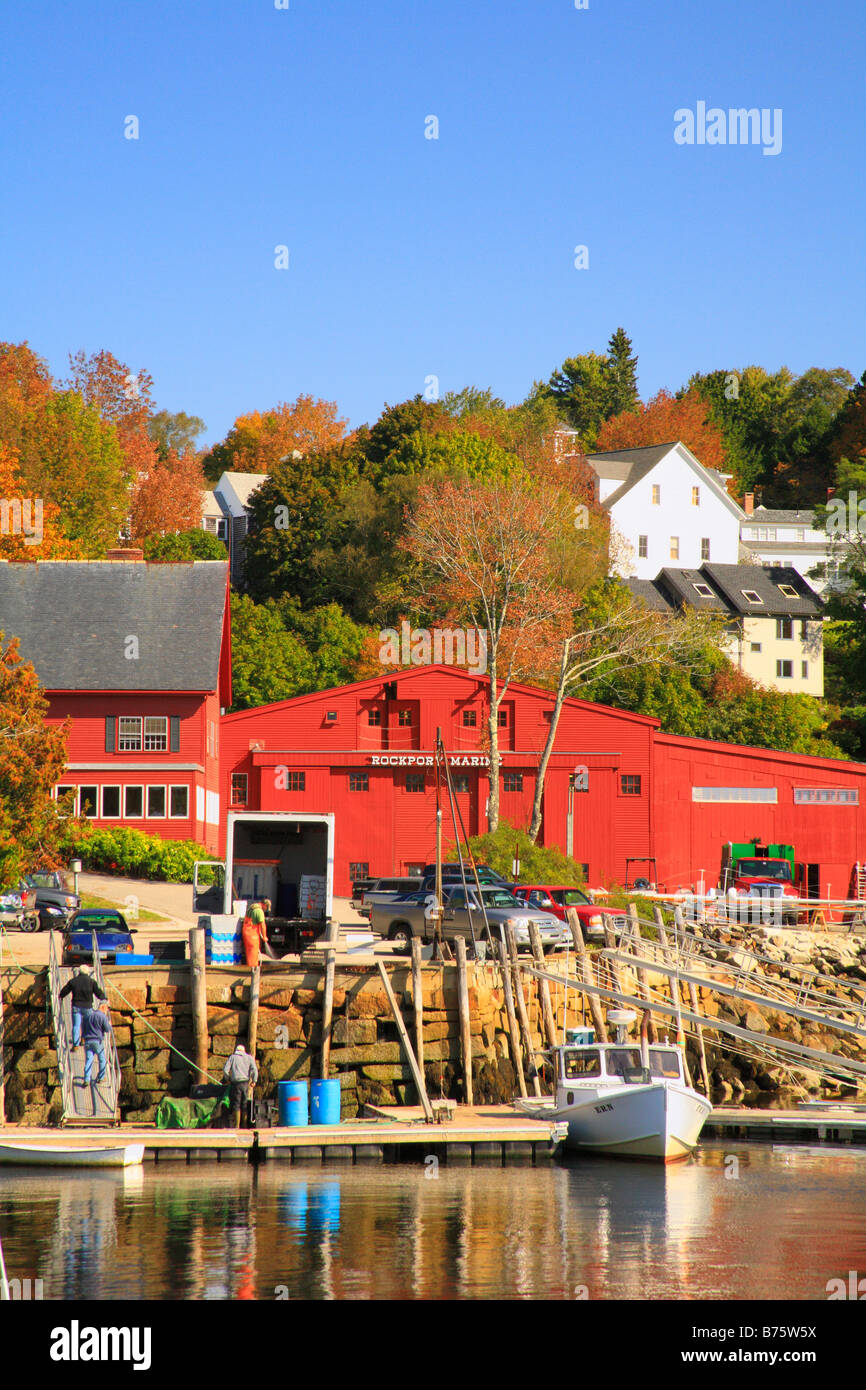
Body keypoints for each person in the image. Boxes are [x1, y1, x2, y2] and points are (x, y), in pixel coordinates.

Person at [59, 965, 107, 1048]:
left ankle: (75, 1045)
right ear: (88, 972)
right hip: (88, 1007)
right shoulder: (91, 982)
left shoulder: (73, 981)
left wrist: (61, 995)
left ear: (79, 972)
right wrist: (104, 998)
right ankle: (84, 1039)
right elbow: (98, 992)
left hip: (76, 1006)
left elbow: (65, 990)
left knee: (76, 1026)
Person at [222, 1043, 259, 1128]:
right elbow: (254, 1070)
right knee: (244, 1103)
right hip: (246, 1083)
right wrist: (254, 1080)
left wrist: (228, 1079)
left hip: (236, 1083)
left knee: (236, 1103)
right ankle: (244, 1124)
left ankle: (237, 1125)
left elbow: (225, 1070)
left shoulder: (232, 1057)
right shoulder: (249, 1058)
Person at [81, 1001, 112, 1086]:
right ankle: (101, 1078)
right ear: (102, 1007)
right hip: (97, 1042)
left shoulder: (89, 1015)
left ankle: (86, 1079)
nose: (107, 1010)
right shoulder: (102, 1016)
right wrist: (109, 1025)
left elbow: (83, 1026)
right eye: (107, 1008)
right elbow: (107, 1029)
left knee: (89, 1060)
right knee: (102, 1060)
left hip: (88, 1041)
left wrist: (83, 1037)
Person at [241, 899, 270, 969]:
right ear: (265, 905)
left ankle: (250, 967)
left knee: (249, 952)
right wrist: (265, 936)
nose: (266, 910)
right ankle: (253, 969)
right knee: (253, 952)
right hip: (252, 934)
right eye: (267, 908)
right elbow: (262, 925)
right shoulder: (259, 911)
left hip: (246, 932)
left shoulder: (252, 907)